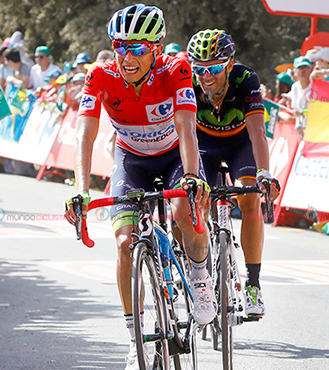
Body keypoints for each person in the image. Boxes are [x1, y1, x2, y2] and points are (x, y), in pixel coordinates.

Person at [64, 5, 216, 369]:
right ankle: (136, 340)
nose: (126, 57)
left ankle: (198, 273)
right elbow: (84, 132)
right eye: (119, 46)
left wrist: (193, 175)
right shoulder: (99, 74)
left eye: (137, 48)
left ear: (156, 47)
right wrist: (82, 189)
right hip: (131, 161)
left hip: (175, 157)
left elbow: (186, 127)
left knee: (183, 211)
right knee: (123, 243)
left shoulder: (175, 68)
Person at [186, 29, 280, 318]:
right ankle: (199, 270)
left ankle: (253, 284)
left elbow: (257, 131)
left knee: (249, 200)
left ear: (228, 64)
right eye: (199, 69)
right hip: (205, 146)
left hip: (240, 144)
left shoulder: (245, 79)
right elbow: (183, 129)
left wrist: (264, 173)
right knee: (196, 202)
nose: (206, 76)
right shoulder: (187, 82)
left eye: (214, 68)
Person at [284, 56, 313, 140]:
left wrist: (302, 112)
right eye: (299, 68)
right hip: (302, 132)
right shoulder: (295, 87)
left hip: (315, 130)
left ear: (310, 69)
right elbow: (296, 110)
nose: (302, 70)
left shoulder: (316, 86)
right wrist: (299, 126)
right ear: (295, 71)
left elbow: (318, 109)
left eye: (305, 67)